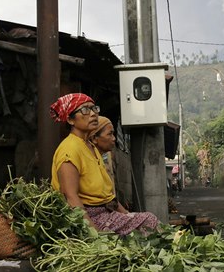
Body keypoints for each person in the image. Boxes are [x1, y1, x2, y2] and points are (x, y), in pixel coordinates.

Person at [49, 93, 159, 235]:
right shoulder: (69, 149)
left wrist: (125, 214)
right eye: (85, 110)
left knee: (148, 222)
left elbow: (106, 196)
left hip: (104, 212)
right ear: (70, 119)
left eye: (94, 108)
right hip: (88, 217)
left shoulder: (90, 147)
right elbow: (70, 196)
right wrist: (94, 233)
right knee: (149, 221)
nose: (93, 114)